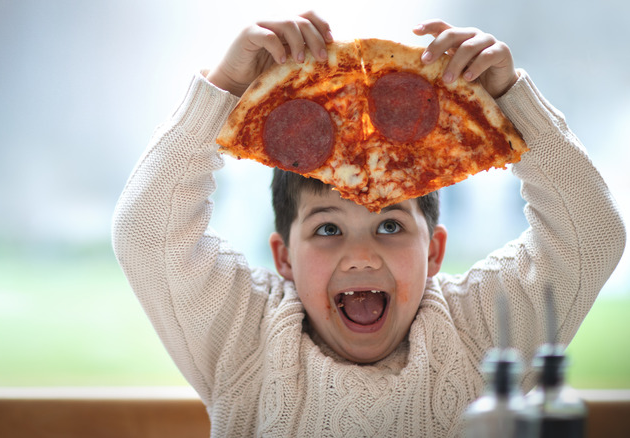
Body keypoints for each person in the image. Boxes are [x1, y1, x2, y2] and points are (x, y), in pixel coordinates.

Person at [112, 11, 625, 437]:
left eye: (390, 226)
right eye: (328, 230)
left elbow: (591, 235)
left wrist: (512, 97)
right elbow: (147, 232)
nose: (360, 254)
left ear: (433, 252)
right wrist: (223, 89)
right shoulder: (245, 338)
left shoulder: (478, 335)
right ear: (283, 257)